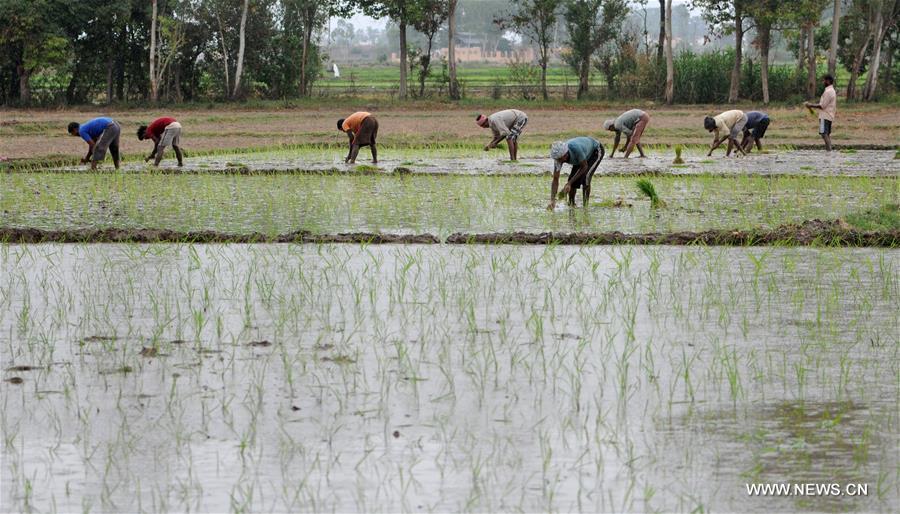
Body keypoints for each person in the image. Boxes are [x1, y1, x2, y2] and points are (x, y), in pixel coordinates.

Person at [547, 137, 605, 210]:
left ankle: (585, 207)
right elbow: (555, 179)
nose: (559, 161)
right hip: (582, 157)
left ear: (565, 155)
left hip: (595, 150)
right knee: (572, 179)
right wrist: (552, 200)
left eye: (560, 159)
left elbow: (584, 166)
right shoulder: (558, 159)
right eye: (557, 159)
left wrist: (569, 183)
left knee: (586, 178)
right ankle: (572, 205)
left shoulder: (576, 149)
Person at [805, 74, 836, 151]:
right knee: (826, 134)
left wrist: (810, 105)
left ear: (828, 81)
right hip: (829, 115)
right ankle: (829, 151)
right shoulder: (831, 91)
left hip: (824, 116)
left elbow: (822, 106)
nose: (823, 82)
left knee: (824, 133)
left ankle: (829, 151)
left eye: (824, 80)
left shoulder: (828, 92)